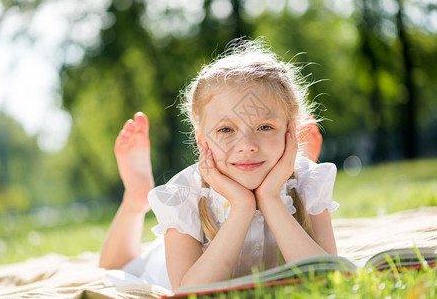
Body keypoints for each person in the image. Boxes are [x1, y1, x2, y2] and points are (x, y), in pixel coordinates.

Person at [99, 40, 338, 291]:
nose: (247, 145)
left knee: (298, 178)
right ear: (203, 140)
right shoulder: (185, 194)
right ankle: (134, 202)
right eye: (226, 129)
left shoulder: (310, 183)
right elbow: (188, 292)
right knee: (119, 267)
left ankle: (293, 157)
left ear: (290, 131)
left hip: (291, 180)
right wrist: (241, 206)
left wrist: (271, 199)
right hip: (175, 265)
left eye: (265, 127)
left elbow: (328, 280)